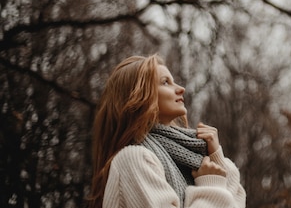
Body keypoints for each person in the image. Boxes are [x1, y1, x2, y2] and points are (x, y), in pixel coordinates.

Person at [90, 54, 246, 208]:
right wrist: (211, 185)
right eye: (165, 82)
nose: (181, 89)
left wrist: (216, 158)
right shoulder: (133, 159)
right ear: (138, 96)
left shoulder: (189, 161)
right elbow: (218, 196)